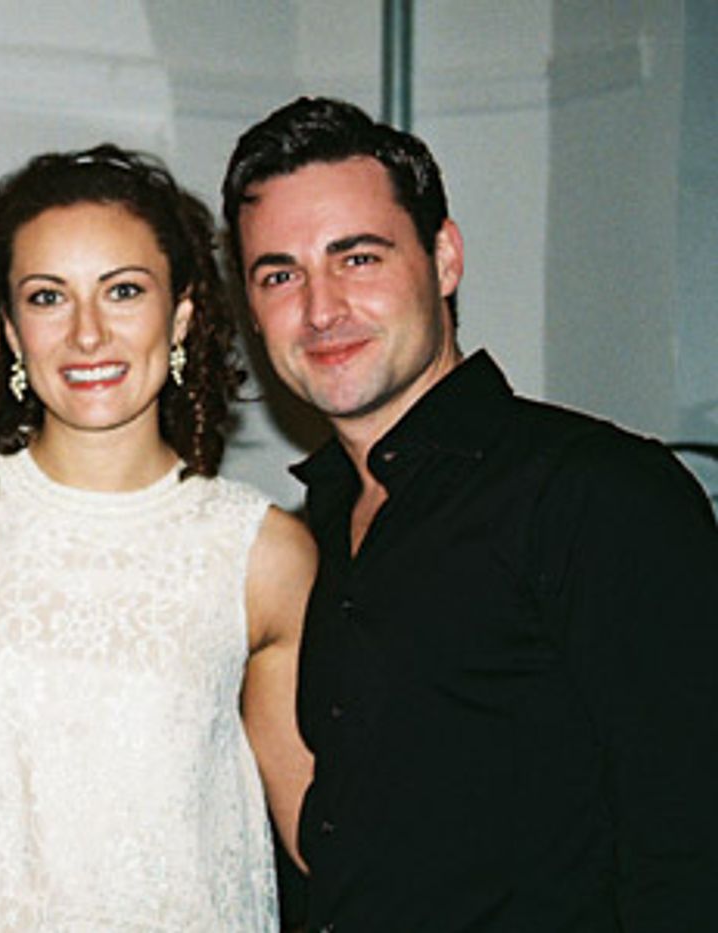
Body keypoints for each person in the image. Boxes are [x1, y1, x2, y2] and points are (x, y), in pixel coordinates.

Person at [222, 96, 718, 931]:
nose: (320, 308)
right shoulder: (309, 536)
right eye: (280, 274)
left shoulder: (598, 493)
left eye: (358, 258)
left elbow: (690, 849)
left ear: (444, 258)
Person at [0, 144, 316, 930]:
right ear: (10, 330)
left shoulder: (261, 553)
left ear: (180, 316)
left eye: (123, 291)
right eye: (48, 297)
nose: (87, 334)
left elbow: (327, 838)